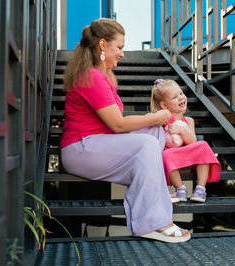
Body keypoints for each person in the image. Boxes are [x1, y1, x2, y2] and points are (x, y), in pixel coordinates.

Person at [60, 18, 190, 243]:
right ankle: (153, 222)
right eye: (119, 47)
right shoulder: (91, 77)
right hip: (80, 148)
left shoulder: (103, 77)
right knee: (147, 140)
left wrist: (155, 122)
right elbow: (117, 124)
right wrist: (155, 116)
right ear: (102, 45)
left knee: (155, 133)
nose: (122, 54)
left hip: (96, 144)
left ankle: (154, 194)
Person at [150, 79, 221, 203]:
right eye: (174, 97)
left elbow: (192, 142)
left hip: (190, 158)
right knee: (164, 154)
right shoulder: (164, 118)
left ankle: (200, 189)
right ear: (164, 105)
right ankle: (180, 189)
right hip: (173, 160)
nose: (181, 98)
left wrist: (182, 130)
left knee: (203, 145)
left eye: (181, 94)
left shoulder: (189, 120)